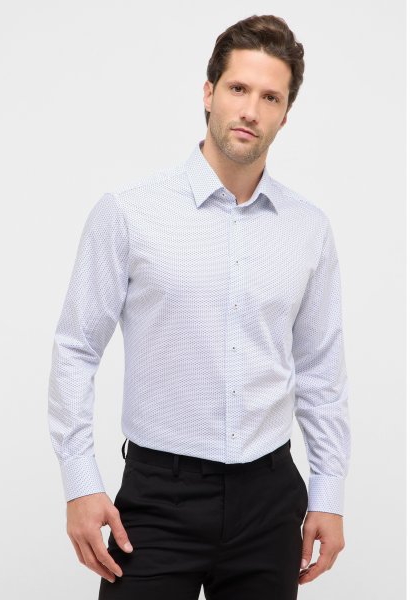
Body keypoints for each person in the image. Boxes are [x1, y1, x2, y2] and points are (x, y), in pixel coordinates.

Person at [48, 13, 351, 600]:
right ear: (209, 92)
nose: (251, 110)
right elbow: (75, 349)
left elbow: (321, 371)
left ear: (285, 114)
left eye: (270, 97)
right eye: (238, 88)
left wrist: (329, 493)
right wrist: (80, 483)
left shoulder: (308, 230)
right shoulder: (130, 213)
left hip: (270, 501)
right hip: (159, 498)